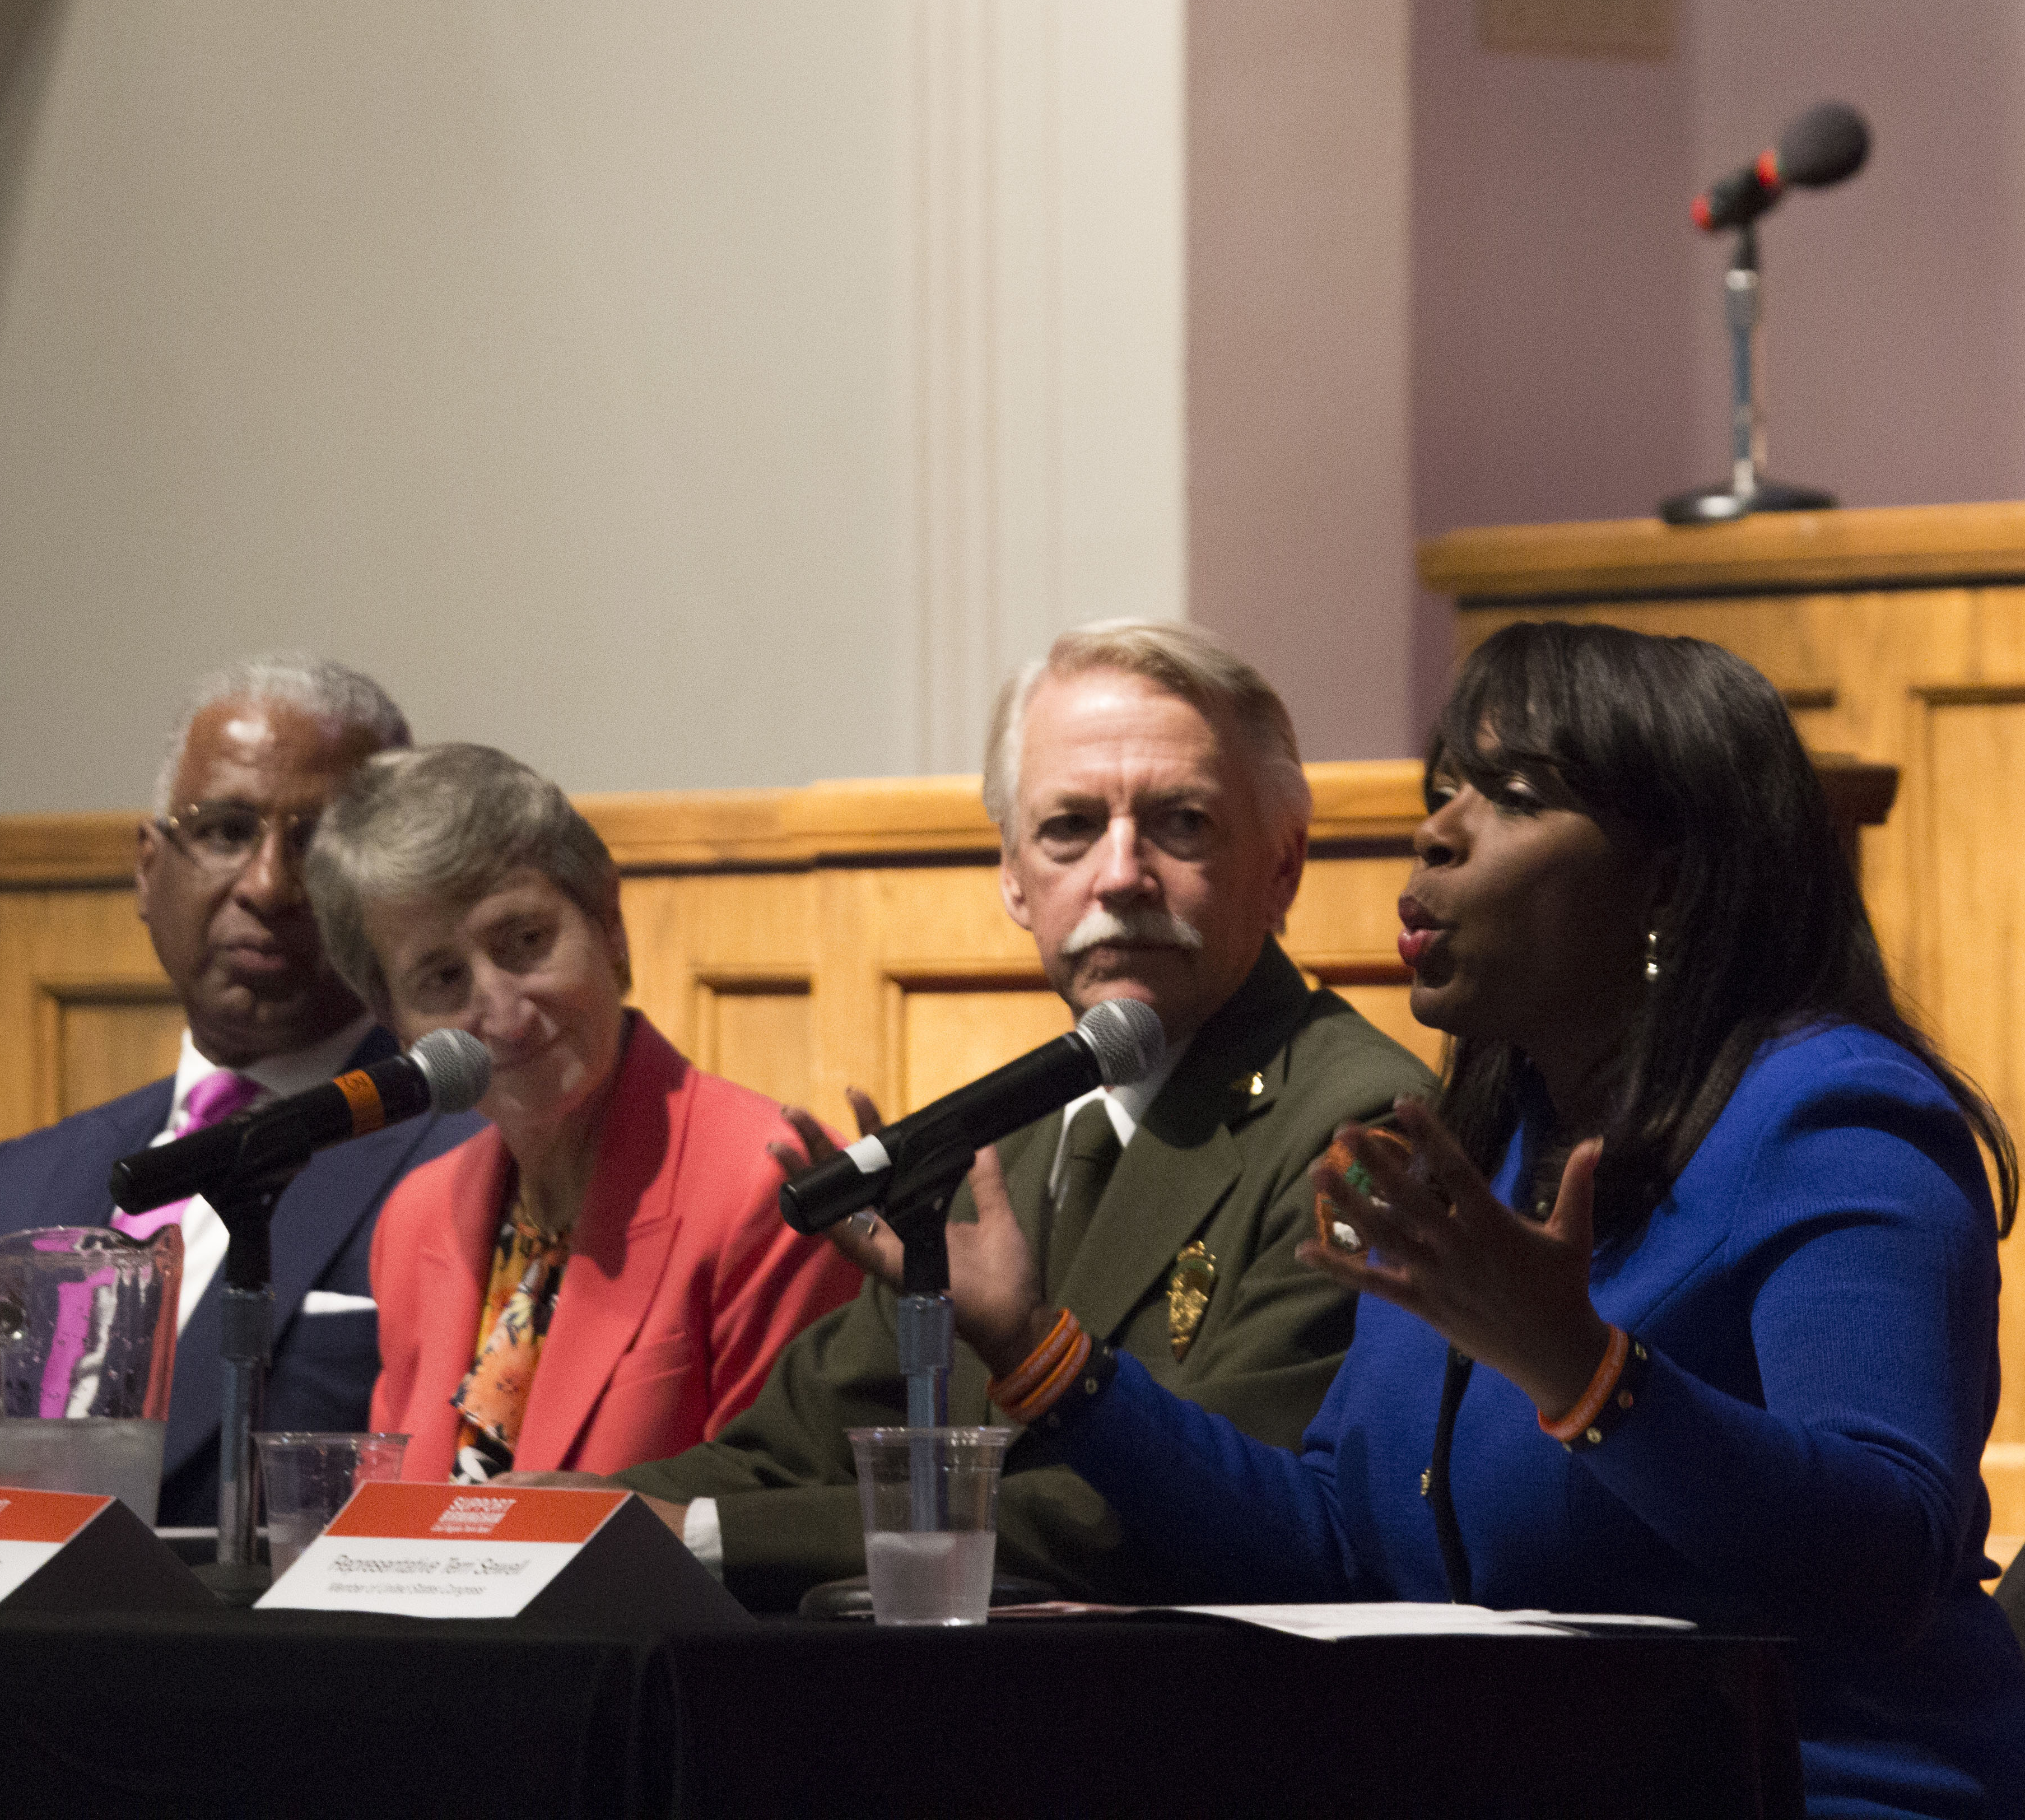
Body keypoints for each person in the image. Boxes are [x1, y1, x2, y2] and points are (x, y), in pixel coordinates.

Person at [883, 621, 2025, 1818]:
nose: (1437, 833)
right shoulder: (1495, 1147)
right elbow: (1342, 1548)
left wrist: (1587, 1373)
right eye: (1443, 789)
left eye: (1511, 798)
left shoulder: (1831, 1120)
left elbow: (1889, 1555)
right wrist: (1040, 1352)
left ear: (1667, 882)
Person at [577, 618, 1436, 1610]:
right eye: (1070, 827)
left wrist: (706, 1536)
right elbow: (792, 1450)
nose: (1121, 875)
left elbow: (1200, 1510)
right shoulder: (1007, 1135)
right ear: (1014, 879)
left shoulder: (1358, 1121)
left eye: (1182, 823)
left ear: (1284, 865)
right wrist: (549, 1515)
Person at [0, 656, 483, 1530]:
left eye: (317, 844)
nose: (268, 885)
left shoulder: (467, 1167)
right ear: (147, 869)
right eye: (226, 831)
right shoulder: (14, 1186)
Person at [304, 743, 864, 1482]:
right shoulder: (415, 1220)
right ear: (399, 1026)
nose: (504, 1016)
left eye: (526, 942)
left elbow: (769, 1512)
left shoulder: (770, 1187)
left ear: (611, 930)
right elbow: (398, 1516)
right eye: (441, 979)